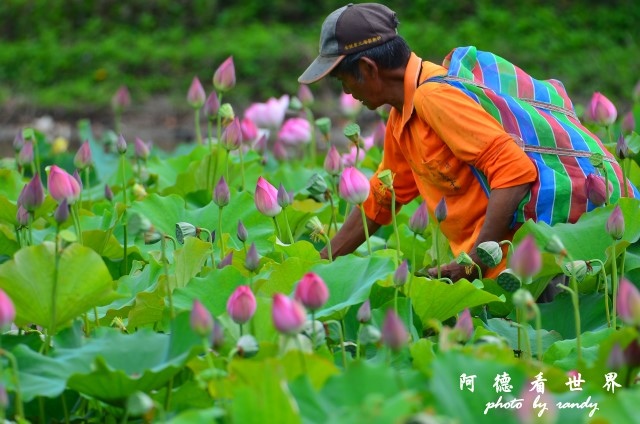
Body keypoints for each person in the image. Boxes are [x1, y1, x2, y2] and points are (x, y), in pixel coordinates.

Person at [298, 2, 538, 281]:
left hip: (527, 271)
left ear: (368, 68)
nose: (346, 92)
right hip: (486, 274)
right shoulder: (402, 114)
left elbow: (515, 171)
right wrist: (320, 264)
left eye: (344, 80)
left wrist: (476, 260)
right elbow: (383, 196)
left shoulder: (435, 98)